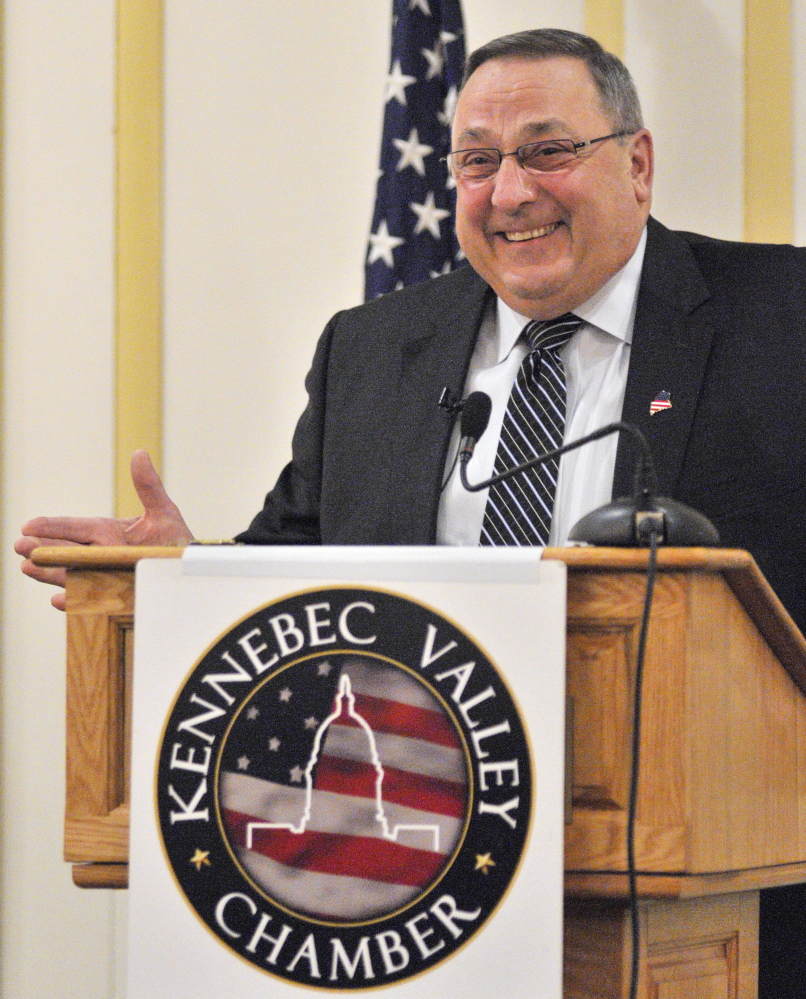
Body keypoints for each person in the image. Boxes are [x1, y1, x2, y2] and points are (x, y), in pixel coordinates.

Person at [14, 29, 806, 995]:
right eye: (478, 162)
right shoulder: (372, 350)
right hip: (412, 899)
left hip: (715, 899)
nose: (511, 192)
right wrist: (194, 575)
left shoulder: (783, 319)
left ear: (637, 164)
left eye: (549, 151)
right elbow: (304, 569)